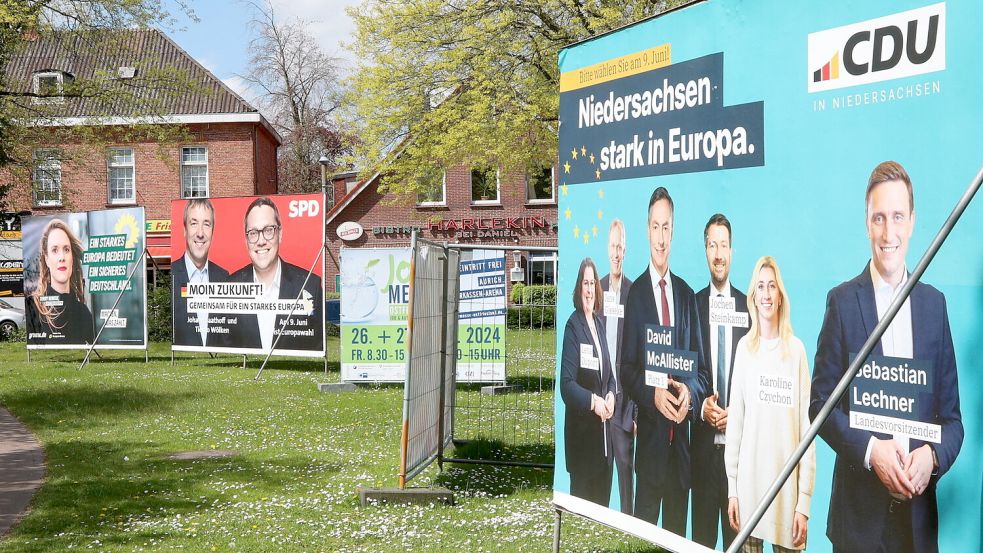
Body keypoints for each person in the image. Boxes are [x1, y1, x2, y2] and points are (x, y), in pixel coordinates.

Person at [810, 161, 963, 553]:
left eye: (897, 217)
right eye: (879, 218)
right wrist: (869, 452)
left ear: (912, 222)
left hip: (917, 527)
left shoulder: (934, 306)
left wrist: (932, 456)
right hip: (857, 525)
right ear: (866, 223)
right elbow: (820, 406)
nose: (888, 232)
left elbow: (953, 422)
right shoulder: (842, 303)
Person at [621, 186, 709, 534]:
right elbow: (626, 369)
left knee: (676, 538)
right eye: (655, 227)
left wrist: (691, 393)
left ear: (674, 230)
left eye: (666, 227)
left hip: (681, 454)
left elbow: (700, 371)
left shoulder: (687, 296)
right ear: (647, 230)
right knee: (645, 539)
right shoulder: (635, 295)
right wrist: (652, 394)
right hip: (651, 451)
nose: (660, 237)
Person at [725, 256, 815, 553]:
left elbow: (807, 430)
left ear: (780, 297)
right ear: (753, 297)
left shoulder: (796, 352)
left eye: (772, 286)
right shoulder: (744, 350)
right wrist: (732, 489)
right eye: (760, 287)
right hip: (749, 495)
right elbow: (735, 425)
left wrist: (804, 502)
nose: (765, 293)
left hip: (787, 502)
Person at [692, 213, 749, 549]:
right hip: (701, 454)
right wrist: (701, 407)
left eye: (723, 245)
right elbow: (683, 372)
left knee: (736, 544)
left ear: (732, 251)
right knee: (700, 542)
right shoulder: (692, 306)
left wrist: (737, 416)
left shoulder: (750, 308)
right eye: (712, 245)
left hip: (740, 460)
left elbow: (757, 380)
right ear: (705, 251)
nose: (718, 253)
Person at [230, 197, 323, 352]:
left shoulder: (309, 284)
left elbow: (316, 344)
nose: (261, 241)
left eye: (268, 231)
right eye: (253, 233)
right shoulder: (229, 286)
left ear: (280, 234)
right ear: (246, 240)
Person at [560, 257, 616, 505]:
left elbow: (610, 377)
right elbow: (567, 386)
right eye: (585, 283)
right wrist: (594, 402)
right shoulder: (573, 326)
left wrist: (612, 395)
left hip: (604, 450)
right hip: (583, 448)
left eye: (593, 283)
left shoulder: (599, 324)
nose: (590, 289)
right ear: (578, 287)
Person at [599, 219, 636, 515]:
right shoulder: (595, 291)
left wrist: (635, 412)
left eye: (619, 247)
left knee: (625, 467)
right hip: (599, 397)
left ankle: (629, 529)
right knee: (600, 470)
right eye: (612, 246)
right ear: (606, 249)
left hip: (624, 402)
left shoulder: (634, 293)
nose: (615, 252)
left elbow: (637, 357)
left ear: (625, 251)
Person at [171, 198, 229, 347]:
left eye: (206, 224)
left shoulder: (224, 278)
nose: (200, 233)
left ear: (213, 231)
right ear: (185, 229)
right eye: (194, 223)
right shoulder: (172, 275)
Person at [26, 219, 94, 345]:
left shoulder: (83, 312)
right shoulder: (32, 306)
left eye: (66, 249)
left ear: (72, 258)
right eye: (55, 250)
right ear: (46, 259)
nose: (62, 257)